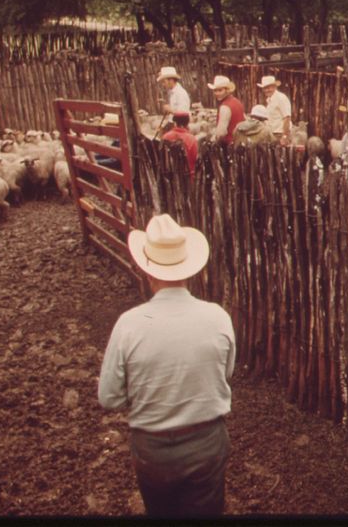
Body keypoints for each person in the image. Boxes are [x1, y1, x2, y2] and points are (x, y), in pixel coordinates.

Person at [98, 214, 235, 517]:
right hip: (206, 443)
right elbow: (225, 374)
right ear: (190, 270)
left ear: (148, 273)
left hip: (153, 450)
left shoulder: (129, 325)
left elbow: (109, 398)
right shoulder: (218, 317)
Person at [208, 75, 245, 145]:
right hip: (239, 141)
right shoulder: (237, 101)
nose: (217, 93)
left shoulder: (225, 107)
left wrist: (212, 141)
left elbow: (221, 132)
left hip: (229, 144)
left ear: (227, 90)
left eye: (220, 90)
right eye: (215, 91)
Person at [255, 75, 292, 144]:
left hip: (280, 134)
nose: (266, 90)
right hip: (272, 134)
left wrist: (284, 136)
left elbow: (287, 117)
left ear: (275, 87)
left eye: (269, 88)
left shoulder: (281, 98)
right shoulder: (269, 100)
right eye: (265, 88)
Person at [162, 111, 198, 176]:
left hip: (170, 178)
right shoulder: (192, 139)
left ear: (175, 123)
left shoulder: (165, 137)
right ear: (187, 123)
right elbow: (194, 159)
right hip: (187, 176)